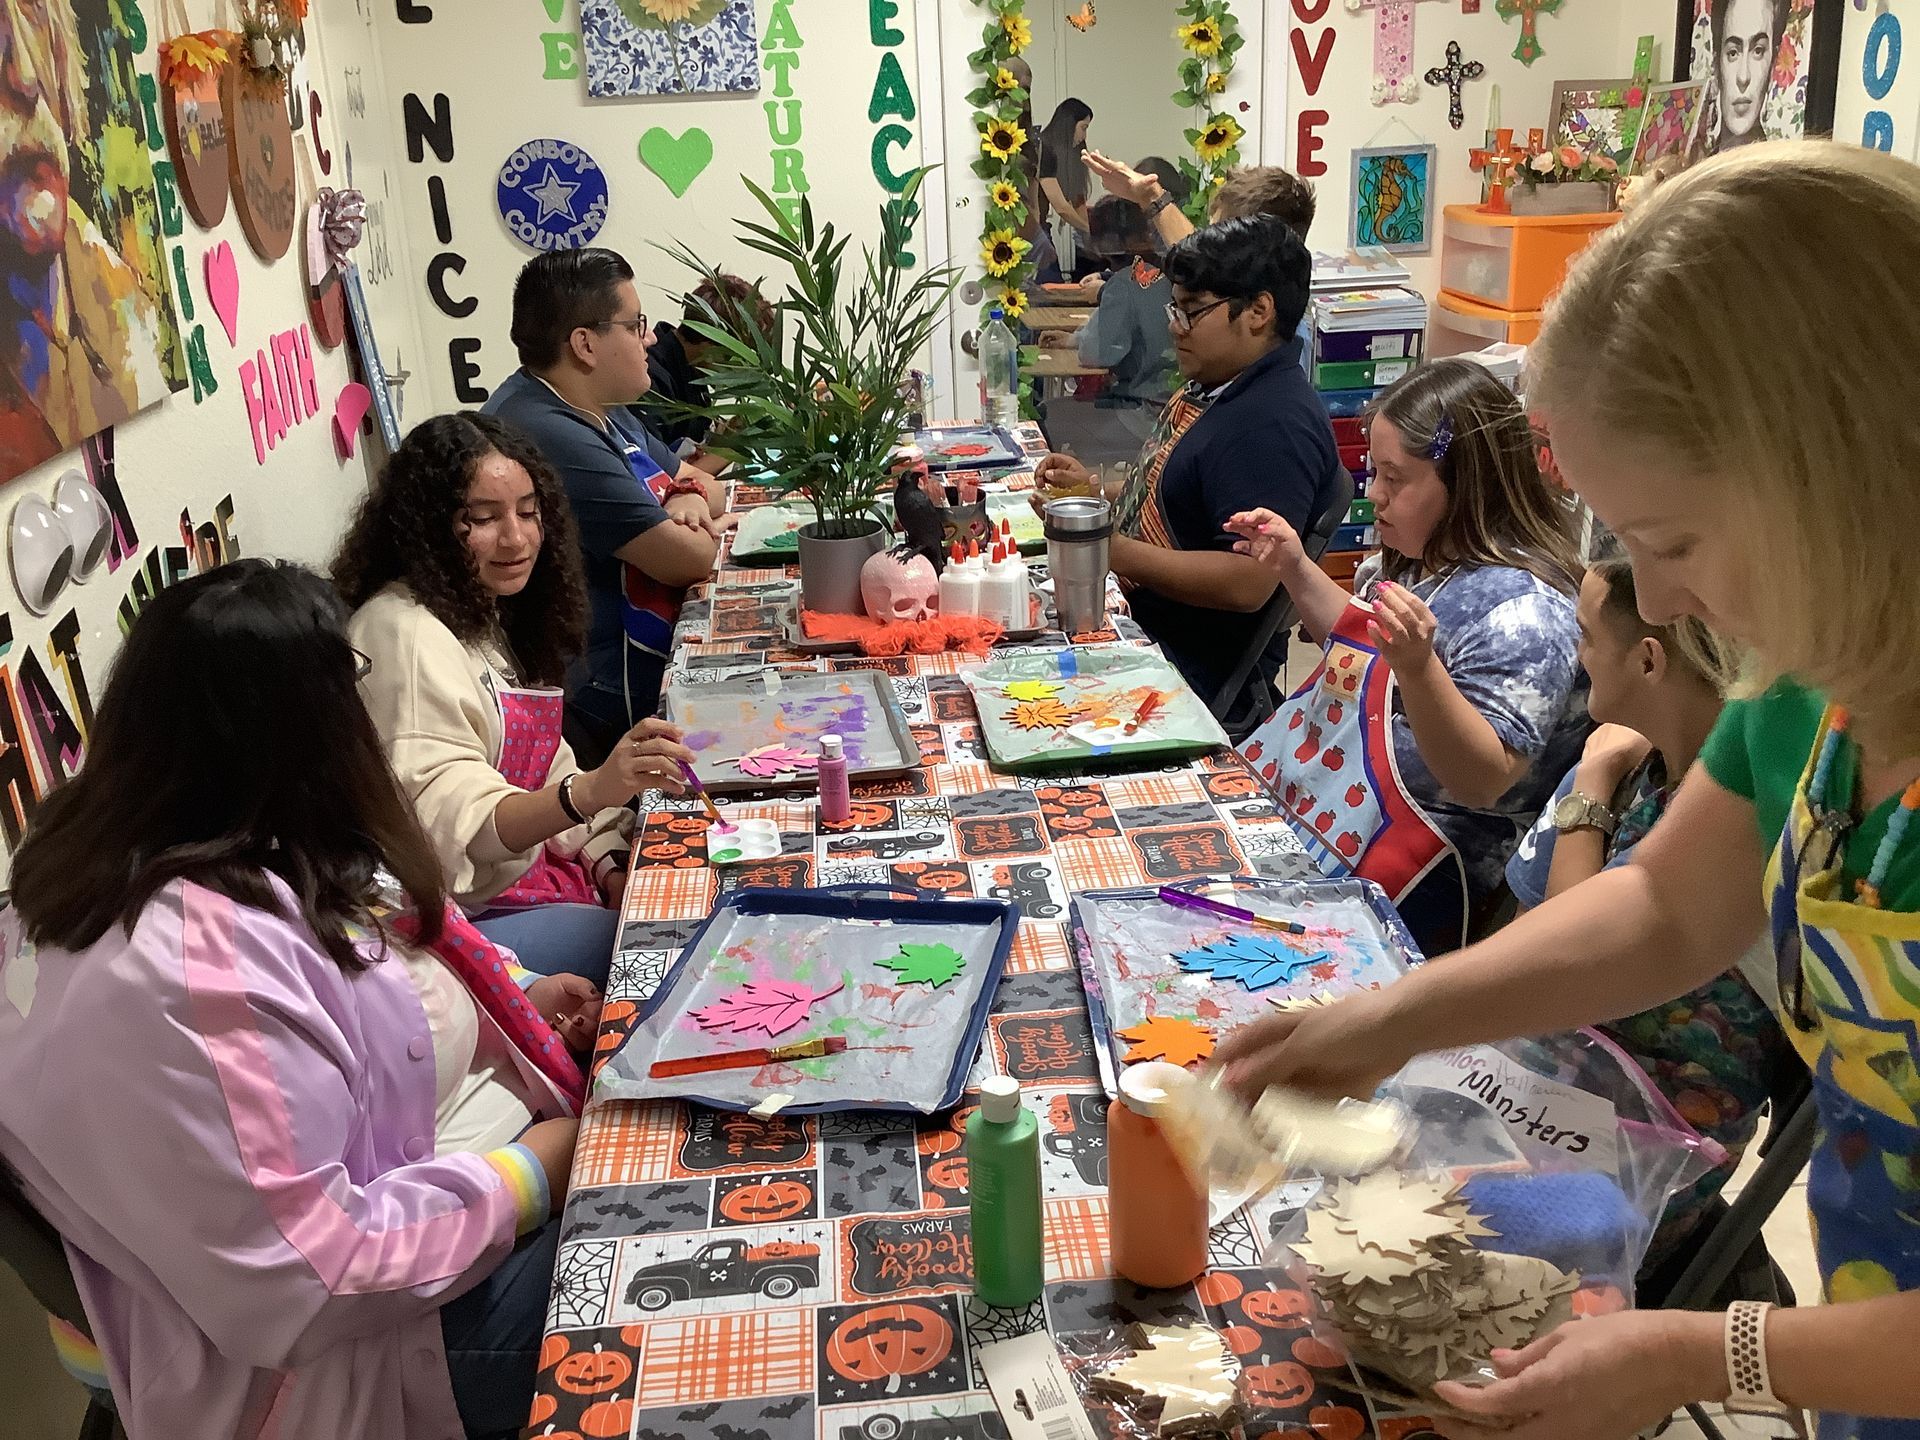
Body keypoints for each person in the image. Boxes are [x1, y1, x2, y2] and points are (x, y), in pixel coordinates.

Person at [1217, 143, 1920, 1439]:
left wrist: (1714, 1356)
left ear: (1847, 473)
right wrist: (1389, 1021)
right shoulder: (1812, 686)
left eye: (1675, 542)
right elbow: (1662, 906)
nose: (1655, 604)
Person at [0, 560, 590, 1440]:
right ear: (307, 733)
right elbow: (319, 1276)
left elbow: (383, 919)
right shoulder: (194, 980)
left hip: (397, 1176)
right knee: (657, 1238)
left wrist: (512, 999)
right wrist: (541, 1170)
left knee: (596, 952)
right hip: (338, 1355)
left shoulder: (175, 828)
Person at [1225, 359, 1588, 952]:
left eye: (1396, 479)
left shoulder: (1524, 615)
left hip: (1420, 880)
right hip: (1343, 824)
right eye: (1374, 473)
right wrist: (1293, 566)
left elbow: (1481, 778)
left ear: (1467, 485)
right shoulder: (1427, 559)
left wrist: (1420, 672)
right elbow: (1362, 654)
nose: (1375, 496)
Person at [1504, 541, 1791, 1286]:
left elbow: (1560, 959)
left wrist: (1593, 777)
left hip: (1640, 1151)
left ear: (1650, 661)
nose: (1577, 655)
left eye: (1586, 637)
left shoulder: (1719, 813)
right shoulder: (1662, 771)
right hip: (1577, 1089)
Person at [334, 412, 695, 986]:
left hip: (528, 880)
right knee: (668, 944)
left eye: (529, 513)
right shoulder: (401, 635)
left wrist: (608, 858)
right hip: (453, 921)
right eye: (482, 519)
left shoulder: (479, 612)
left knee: (676, 889)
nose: (517, 537)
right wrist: (596, 790)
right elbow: (457, 834)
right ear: (426, 527)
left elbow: (544, 763)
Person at [1032, 215, 1344, 715]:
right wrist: (1095, 495)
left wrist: (1109, 550)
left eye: (1193, 311)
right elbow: (1182, 496)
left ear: (1259, 311)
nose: (1174, 327)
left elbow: (1249, 581)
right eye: (1174, 308)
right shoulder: (1221, 384)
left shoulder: (1270, 424)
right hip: (1149, 626)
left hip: (1182, 668)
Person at [483, 247, 729, 766]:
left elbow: (707, 486)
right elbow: (686, 559)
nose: (652, 338)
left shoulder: (598, 406)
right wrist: (688, 511)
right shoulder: (546, 432)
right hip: (597, 706)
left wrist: (684, 499)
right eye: (636, 324)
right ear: (585, 343)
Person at [643, 273, 776, 455]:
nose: (745, 368)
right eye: (739, 357)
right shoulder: (649, 380)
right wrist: (739, 444)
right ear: (712, 343)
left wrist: (732, 429)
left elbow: (696, 446)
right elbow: (660, 477)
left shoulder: (692, 369)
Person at [1070, 197, 1176, 410]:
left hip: (1140, 405)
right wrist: (1074, 338)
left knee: (1056, 411)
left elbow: (1097, 354)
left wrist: (1079, 341)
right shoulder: (1163, 273)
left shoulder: (1122, 284)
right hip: (1169, 397)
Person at [1701, 0, 1785, 154]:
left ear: (1773, 63)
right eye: (1733, 53)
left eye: (1758, 51)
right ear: (1716, 64)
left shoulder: (1784, 175)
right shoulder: (1699, 170)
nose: (1743, 77)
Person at [1036, 98, 1095, 276]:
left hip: (1041, 231)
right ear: (1069, 125)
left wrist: (1088, 233)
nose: (1084, 136)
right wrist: (1090, 231)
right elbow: (1062, 207)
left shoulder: (1066, 156)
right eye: (1083, 128)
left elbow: (1077, 202)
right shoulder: (1043, 149)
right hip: (1032, 233)